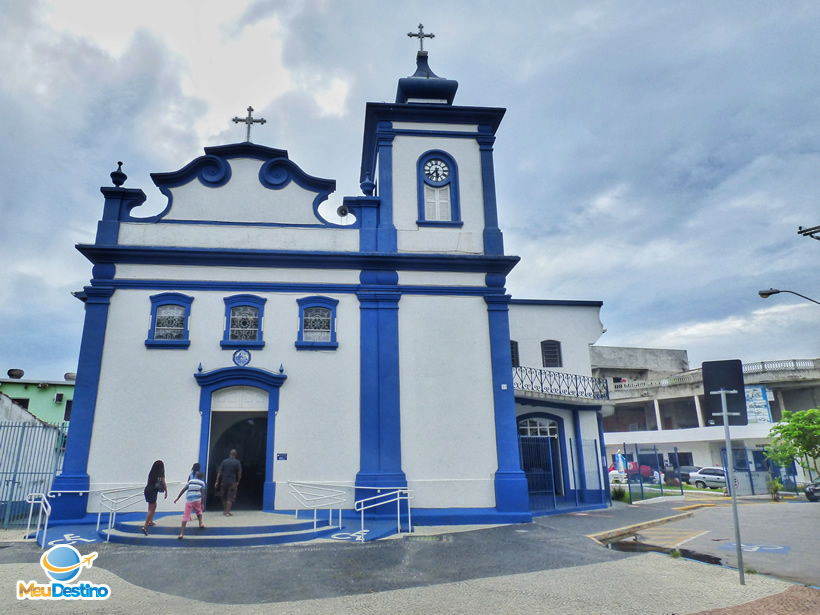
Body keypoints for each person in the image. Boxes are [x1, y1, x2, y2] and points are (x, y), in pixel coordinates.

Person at [174, 470, 206, 539]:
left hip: (189, 500)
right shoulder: (202, 483)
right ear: (202, 477)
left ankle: (181, 533)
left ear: (196, 476)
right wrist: (203, 503)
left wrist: (177, 498)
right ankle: (200, 523)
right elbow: (203, 494)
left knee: (185, 516)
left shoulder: (191, 481)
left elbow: (184, 489)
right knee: (198, 511)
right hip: (197, 500)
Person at [142, 460, 167, 535]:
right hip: (153, 491)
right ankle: (145, 526)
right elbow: (163, 482)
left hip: (147, 489)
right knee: (151, 508)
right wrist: (166, 491)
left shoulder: (152, 473)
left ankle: (150, 521)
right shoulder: (160, 474)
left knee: (153, 505)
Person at [214, 449, 241, 516]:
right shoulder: (237, 462)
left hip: (224, 481)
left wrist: (217, 481)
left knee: (223, 497)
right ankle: (227, 512)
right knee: (230, 497)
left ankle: (225, 511)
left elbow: (219, 472)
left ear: (229, 454)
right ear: (235, 455)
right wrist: (238, 481)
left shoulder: (224, 461)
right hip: (232, 482)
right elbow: (239, 473)